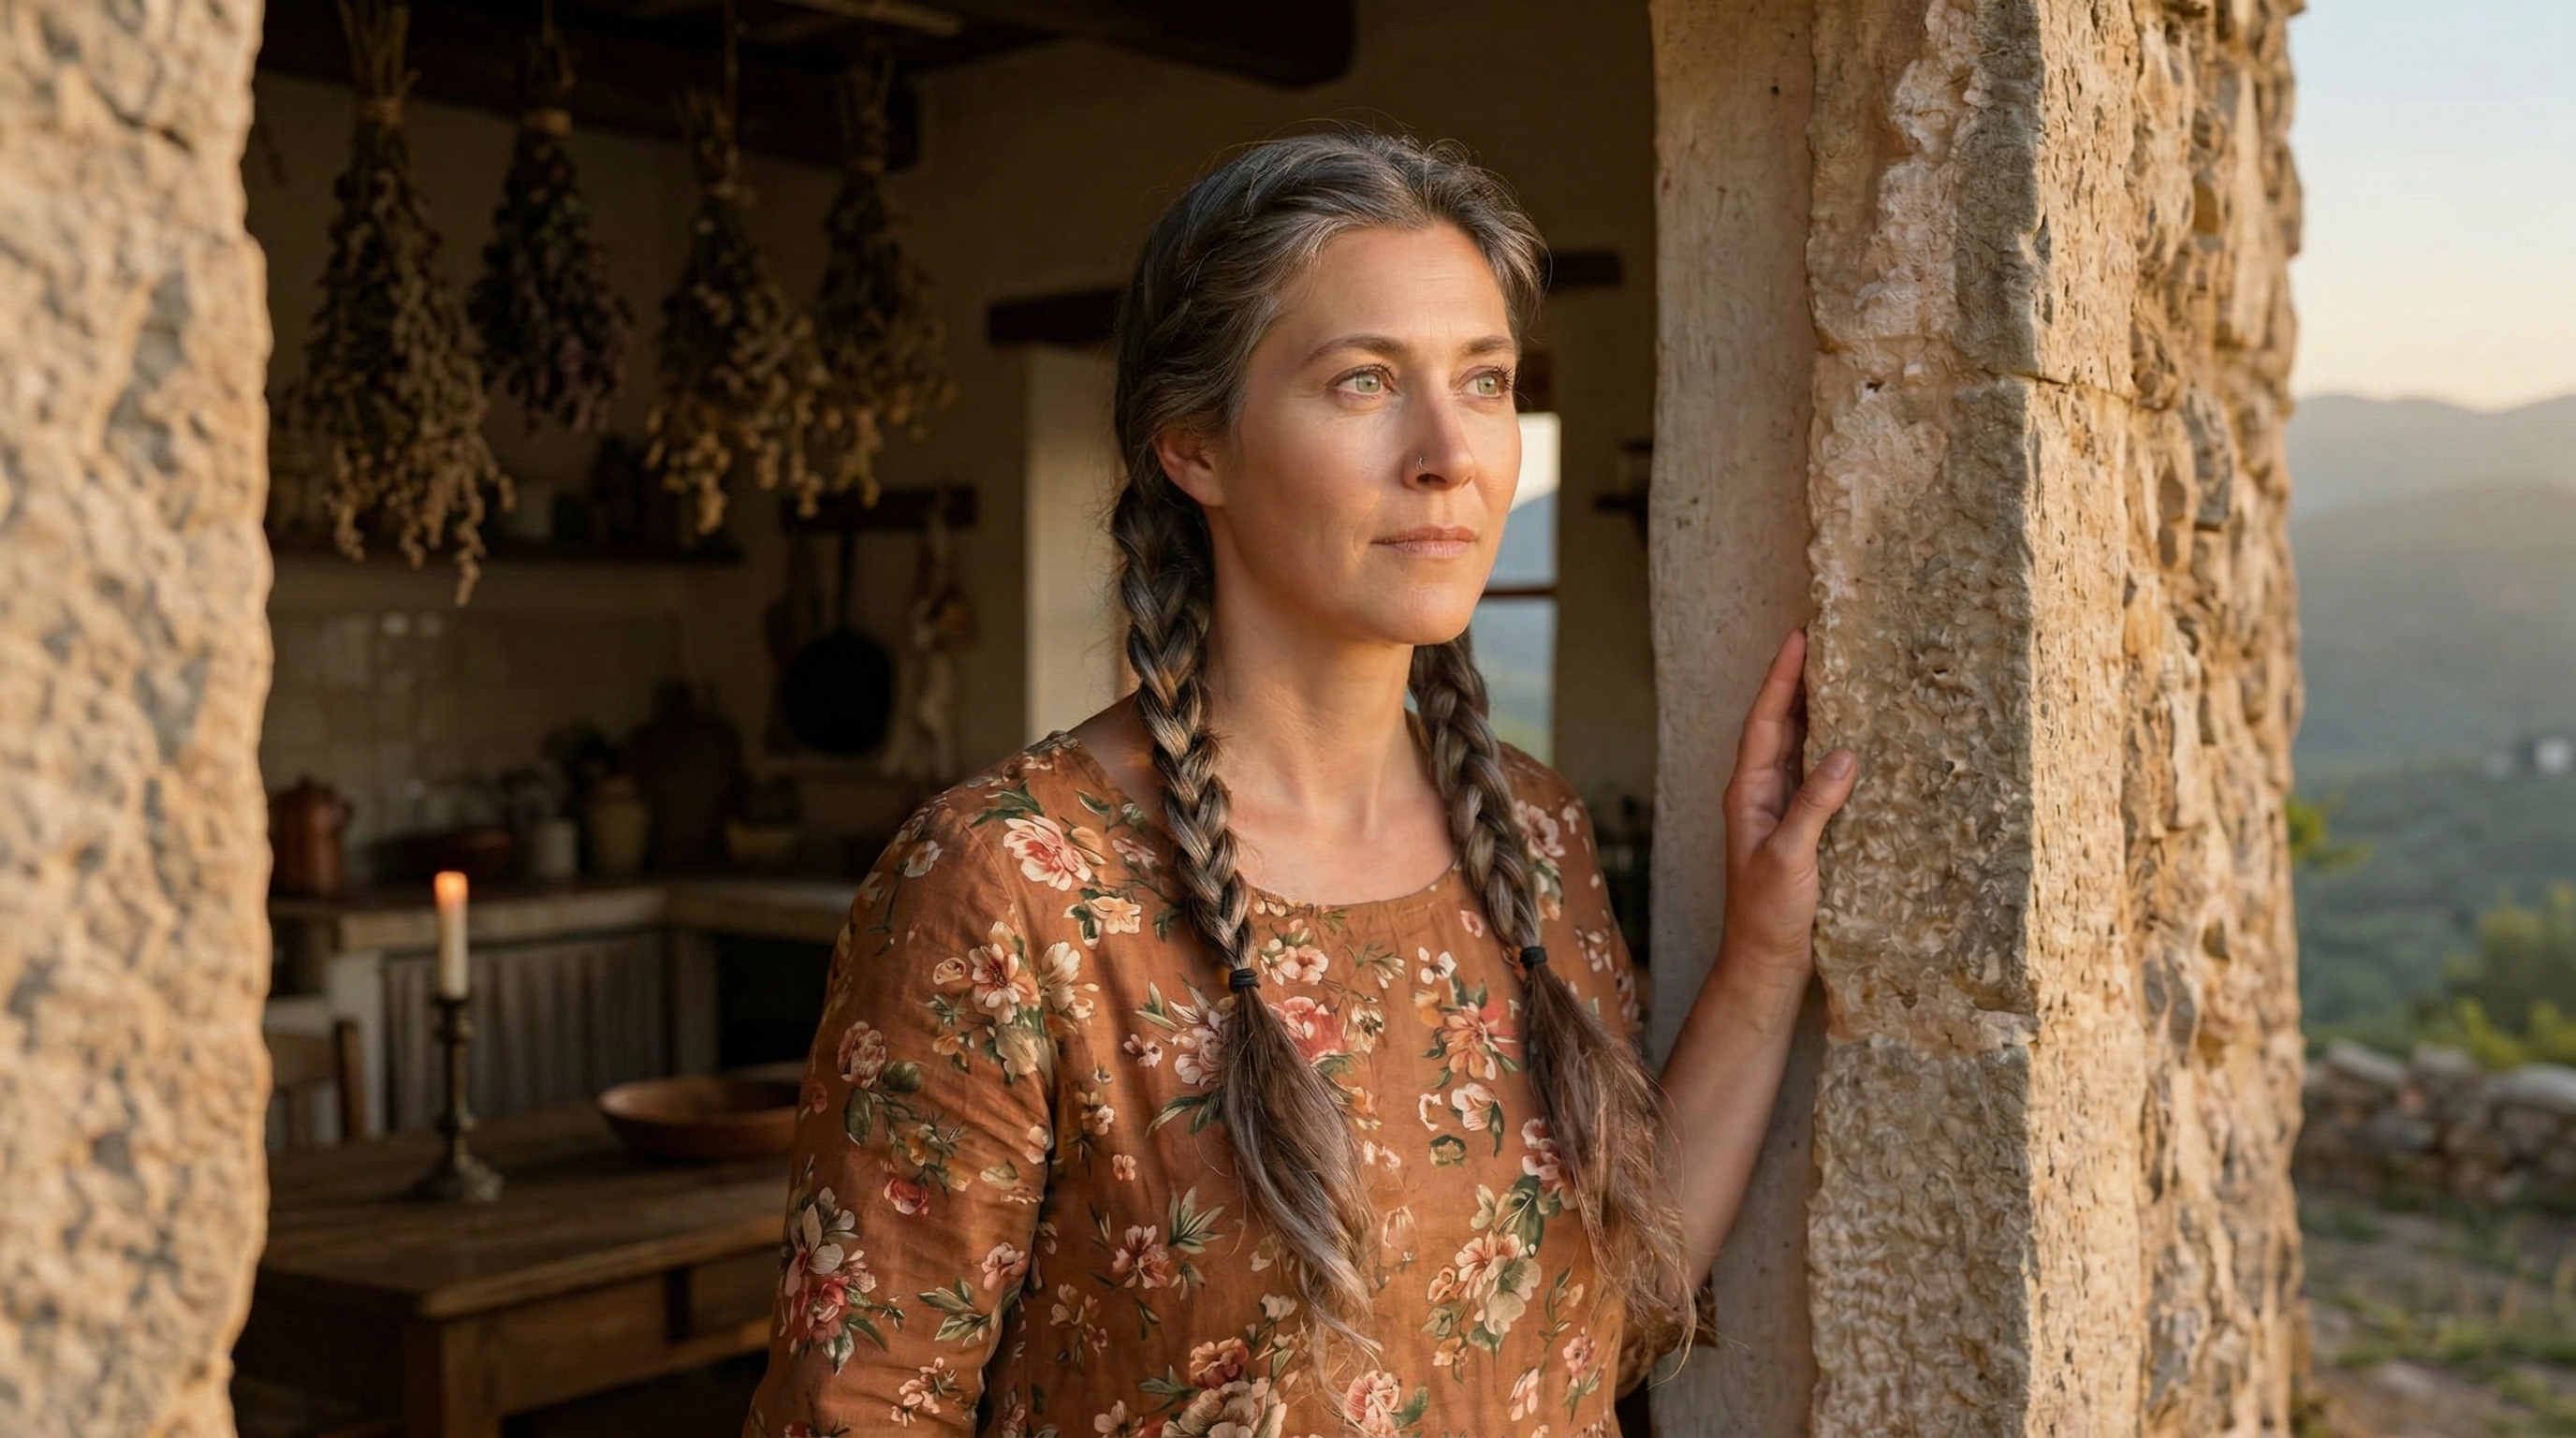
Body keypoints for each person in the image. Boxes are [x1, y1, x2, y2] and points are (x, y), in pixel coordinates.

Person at [742, 130, 1858, 1438]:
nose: (1451, 451)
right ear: (1194, 448)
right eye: (1363, 382)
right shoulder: (1009, 885)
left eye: (1487, 380)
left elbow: (1617, 1308)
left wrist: (1768, 950)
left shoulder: (1530, 831)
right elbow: (856, 1414)